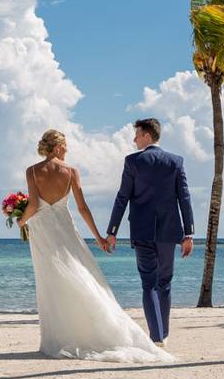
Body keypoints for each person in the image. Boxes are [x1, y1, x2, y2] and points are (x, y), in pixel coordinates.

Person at [17, 129, 174, 363]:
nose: (68, 149)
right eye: (66, 145)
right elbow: (82, 208)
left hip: (43, 230)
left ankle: (59, 337)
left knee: (50, 280)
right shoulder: (70, 171)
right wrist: (99, 237)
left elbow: (32, 205)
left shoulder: (32, 171)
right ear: (58, 146)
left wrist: (21, 220)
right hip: (64, 227)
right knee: (80, 272)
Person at [106, 118, 194, 348]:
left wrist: (112, 231)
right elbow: (184, 198)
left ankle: (157, 337)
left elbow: (122, 197)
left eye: (137, 134)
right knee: (164, 282)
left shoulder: (133, 161)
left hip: (142, 230)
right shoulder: (175, 161)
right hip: (169, 232)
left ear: (147, 135)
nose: (134, 139)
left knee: (149, 283)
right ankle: (162, 334)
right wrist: (189, 234)